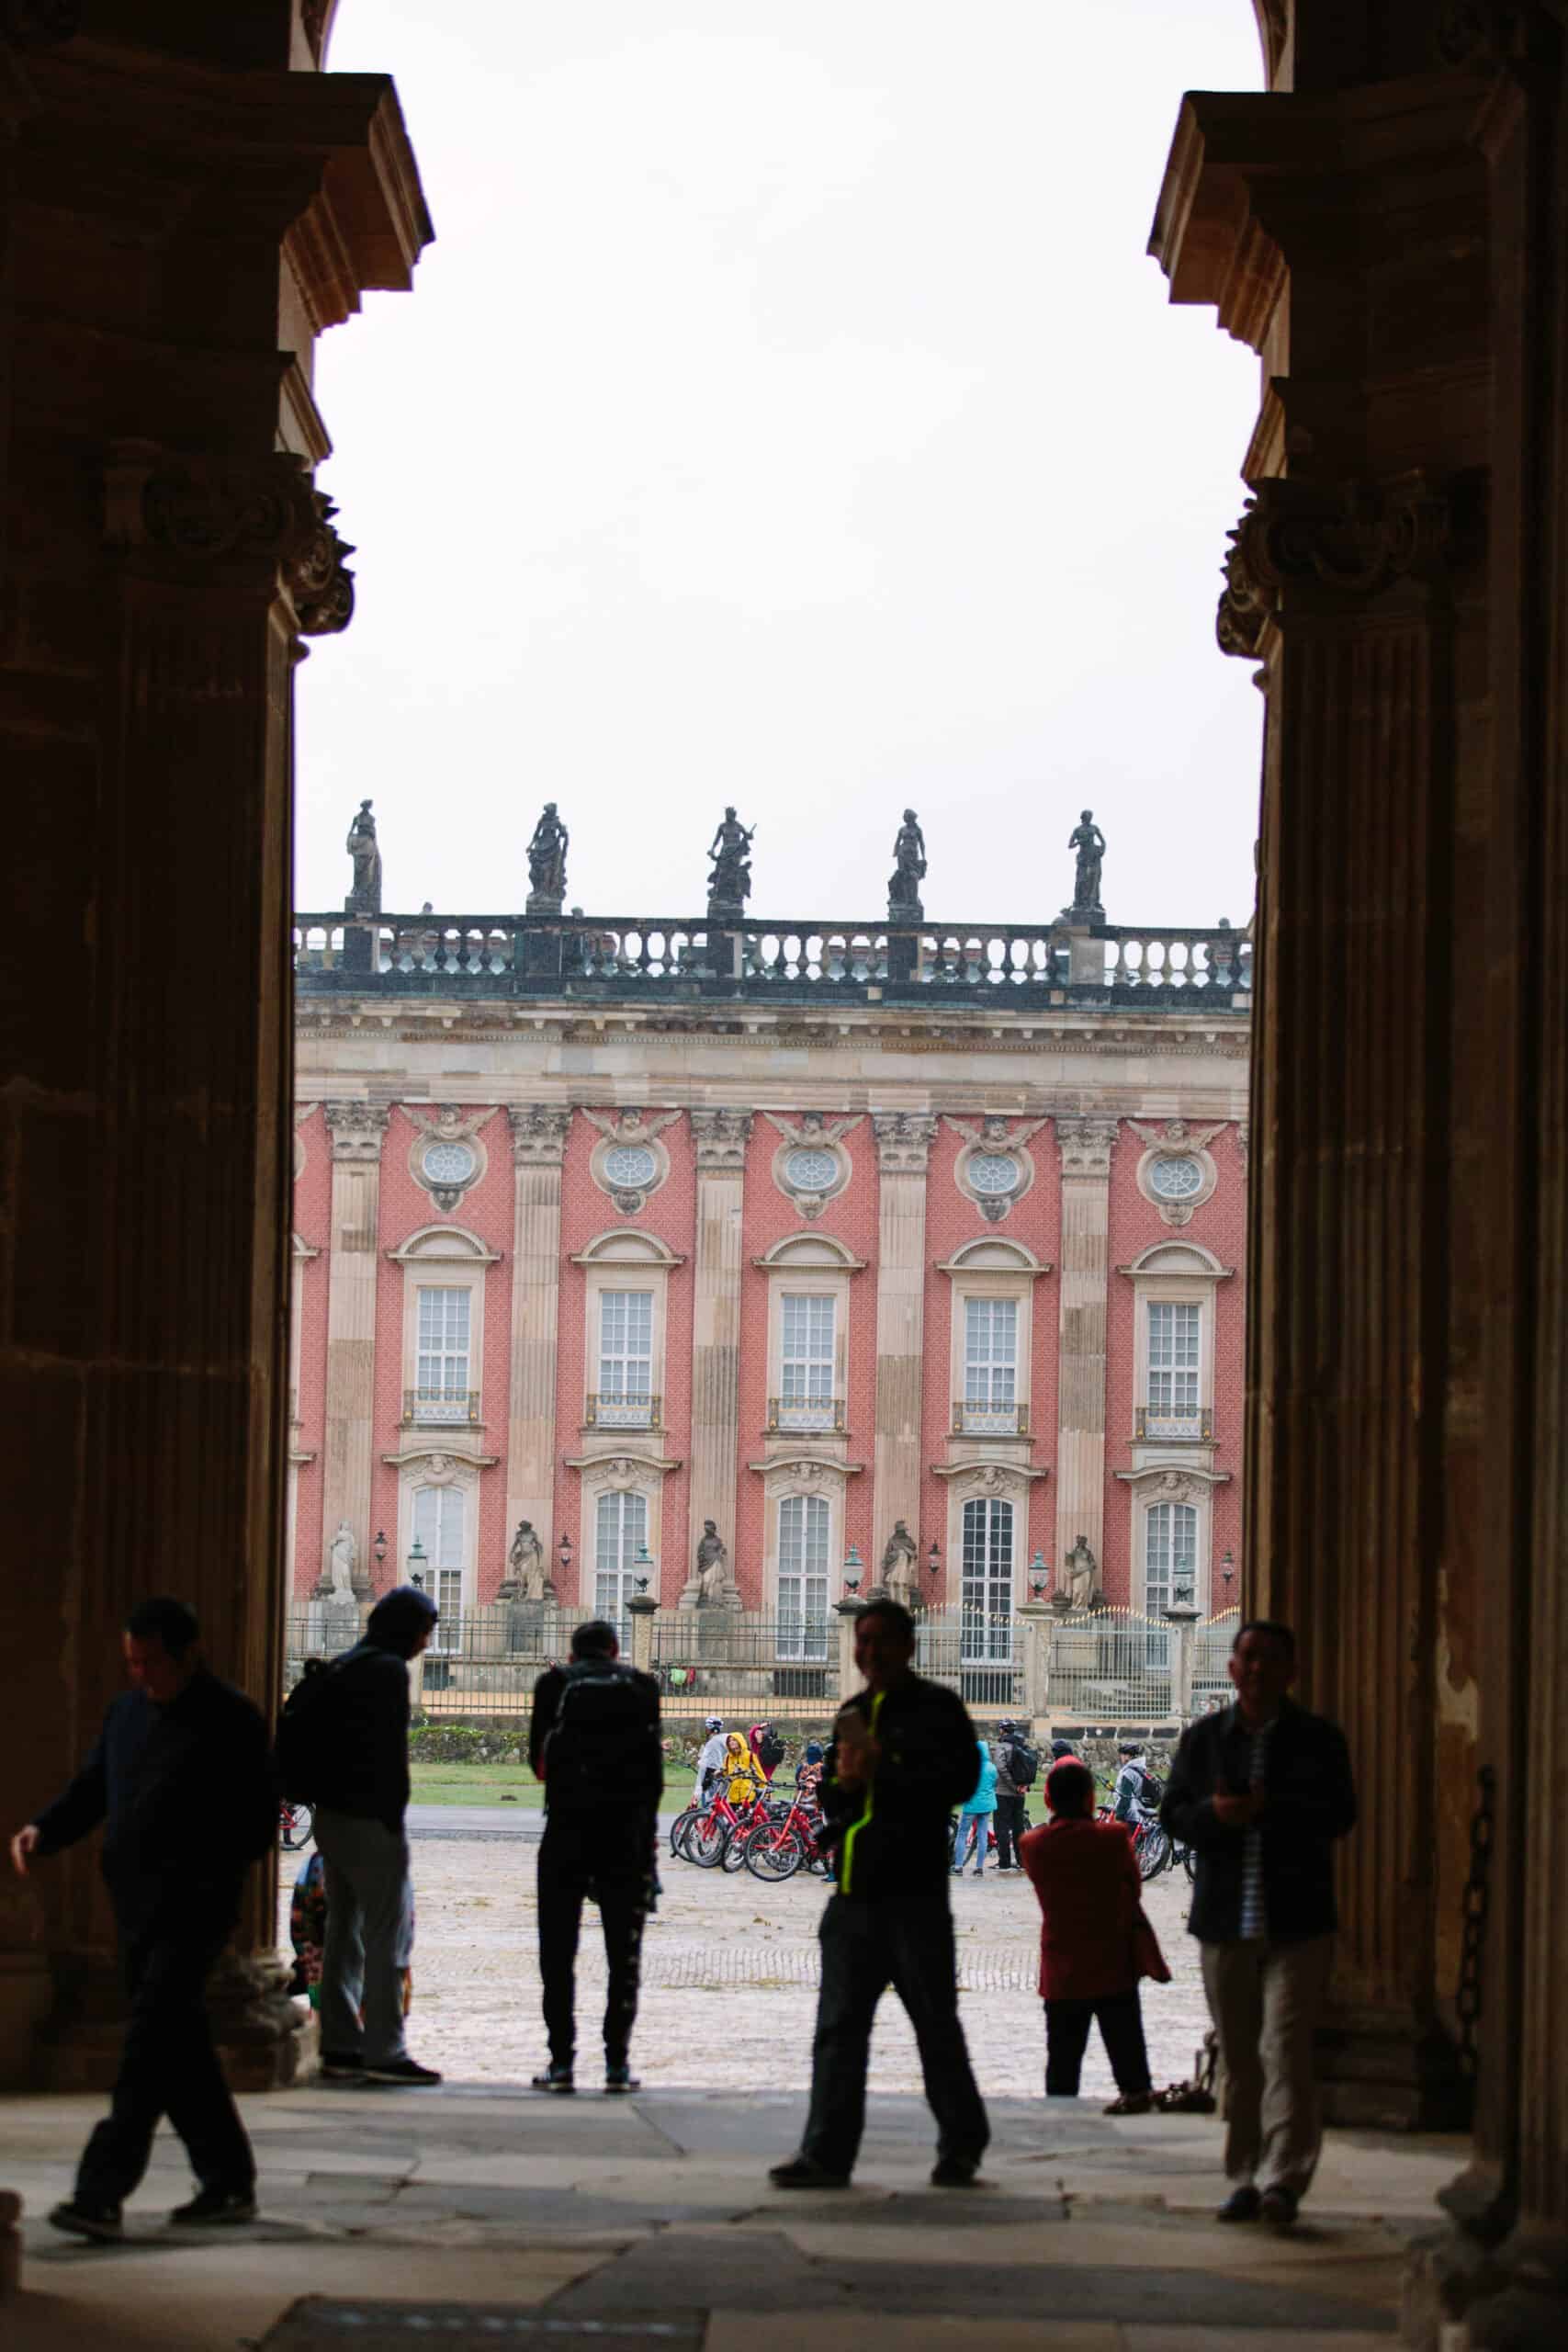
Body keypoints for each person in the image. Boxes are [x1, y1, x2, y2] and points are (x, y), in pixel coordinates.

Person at [8, 1597, 276, 2239]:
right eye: (131, 1662)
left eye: (150, 1662)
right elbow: (95, 1787)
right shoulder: (127, 1713)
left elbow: (257, 1822)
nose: (139, 1675)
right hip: (133, 1908)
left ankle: (99, 2194)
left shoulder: (231, 1719)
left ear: (187, 1655)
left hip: (195, 1911)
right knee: (177, 2047)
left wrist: (204, 1870)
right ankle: (228, 2181)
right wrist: (44, 1831)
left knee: (146, 2047)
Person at [770, 1599, 989, 2190]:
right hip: (853, 1895)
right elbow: (844, 1804)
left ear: (907, 1647)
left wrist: (882, 1767)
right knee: (838, 2030)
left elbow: (960, 1783)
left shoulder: (937, 1710)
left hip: (914, 1894)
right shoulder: (852, 1712)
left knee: (935, 2026)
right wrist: (842, 1786)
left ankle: (963, 2144)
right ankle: (826, 2153)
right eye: (861, 1640)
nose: (868, 1652)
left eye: (880, 1641)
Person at [1160, 1619, 1358, 2230]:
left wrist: (1272, 1808)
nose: (1256, 1668)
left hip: (1297, 1920)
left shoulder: (1318, 1740)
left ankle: (1283, 2179)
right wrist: (1216, 1815)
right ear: (1231, 1668)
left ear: (1290, 1671)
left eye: (1270, 1659)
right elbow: (1173, 1815)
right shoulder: (1203, 1739)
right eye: (1247, 1657)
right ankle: (1242, 2175)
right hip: (1224, 1919)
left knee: (1286, 2047)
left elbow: (1340, 1814)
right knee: (1240, 2058)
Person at [302, 1583, 442, 2086]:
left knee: (344, 1931)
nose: (427, 1643)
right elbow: (388, 1756)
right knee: (388, 1935)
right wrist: (393, 1819)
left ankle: (340, 2043)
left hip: (331, 1816)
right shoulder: (385, 1671)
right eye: (425, 1631)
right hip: (370, 1819)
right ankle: (385, 2048)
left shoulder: (345, 1664)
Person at [528, 1618, 663, 2094]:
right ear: (617, 1650)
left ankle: (562, 2061)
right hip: (625, 1837)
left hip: (566, 1834)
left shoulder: (554, 1684)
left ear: (572, 1653)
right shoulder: (643, 1686)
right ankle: (616, 2064)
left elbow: (538, 1767)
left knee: (558, 1955)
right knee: (623, 1957)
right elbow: (653, 1776)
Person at [1020, 1758, 1165, 2113]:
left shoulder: (1034, 1846)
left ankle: (1061, 2119)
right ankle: (1135, 2098)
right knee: (1127, 2051)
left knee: (1062, 2062)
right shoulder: (1114, 1838)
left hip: (1062, 1962)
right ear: (1090, 1799)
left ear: (1049, 1801)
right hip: (1113, 1958)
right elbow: (1133, 1889)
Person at [989, 1718, 1034, 1874]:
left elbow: (1000, 1768)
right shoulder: (1023, 1745)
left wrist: (1013, 1786)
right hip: (1020, 1794)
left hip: (1003, 1793)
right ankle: (1022, 1861)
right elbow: (1030, 1767)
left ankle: (1004, 1862)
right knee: (1018, 1828)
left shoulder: (1002, 1746)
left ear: (1002, 1730)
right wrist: (1023, 1786)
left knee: (1001, 1828)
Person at [952, 1735, 997, 1877]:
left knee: (962, 1834)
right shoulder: (991, 1767)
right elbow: (994, 1784)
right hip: (986, 1805)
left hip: (971, 1805)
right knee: (982, 1835)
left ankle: (958, 1866)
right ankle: (979, 1868)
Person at [1111, 1742, 1152, 1823]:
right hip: (1141, 1813)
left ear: (1128, 1756)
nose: (1121, 1757)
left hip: (1131, 1816)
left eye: (1122, 1754)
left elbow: (1125, 1797)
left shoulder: (1129, 1773)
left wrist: (1120, 1815)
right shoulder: (1140, 1769)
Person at [694, 1717, 726, 1804]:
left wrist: (703, 1784)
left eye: (707, 1727)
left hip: (713, 1777)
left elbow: (711, 1765)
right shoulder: (723, 1739)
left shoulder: (713, 1742)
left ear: (711, 1728)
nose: (706, 1729)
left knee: (710, 1804)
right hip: (721, 1777)